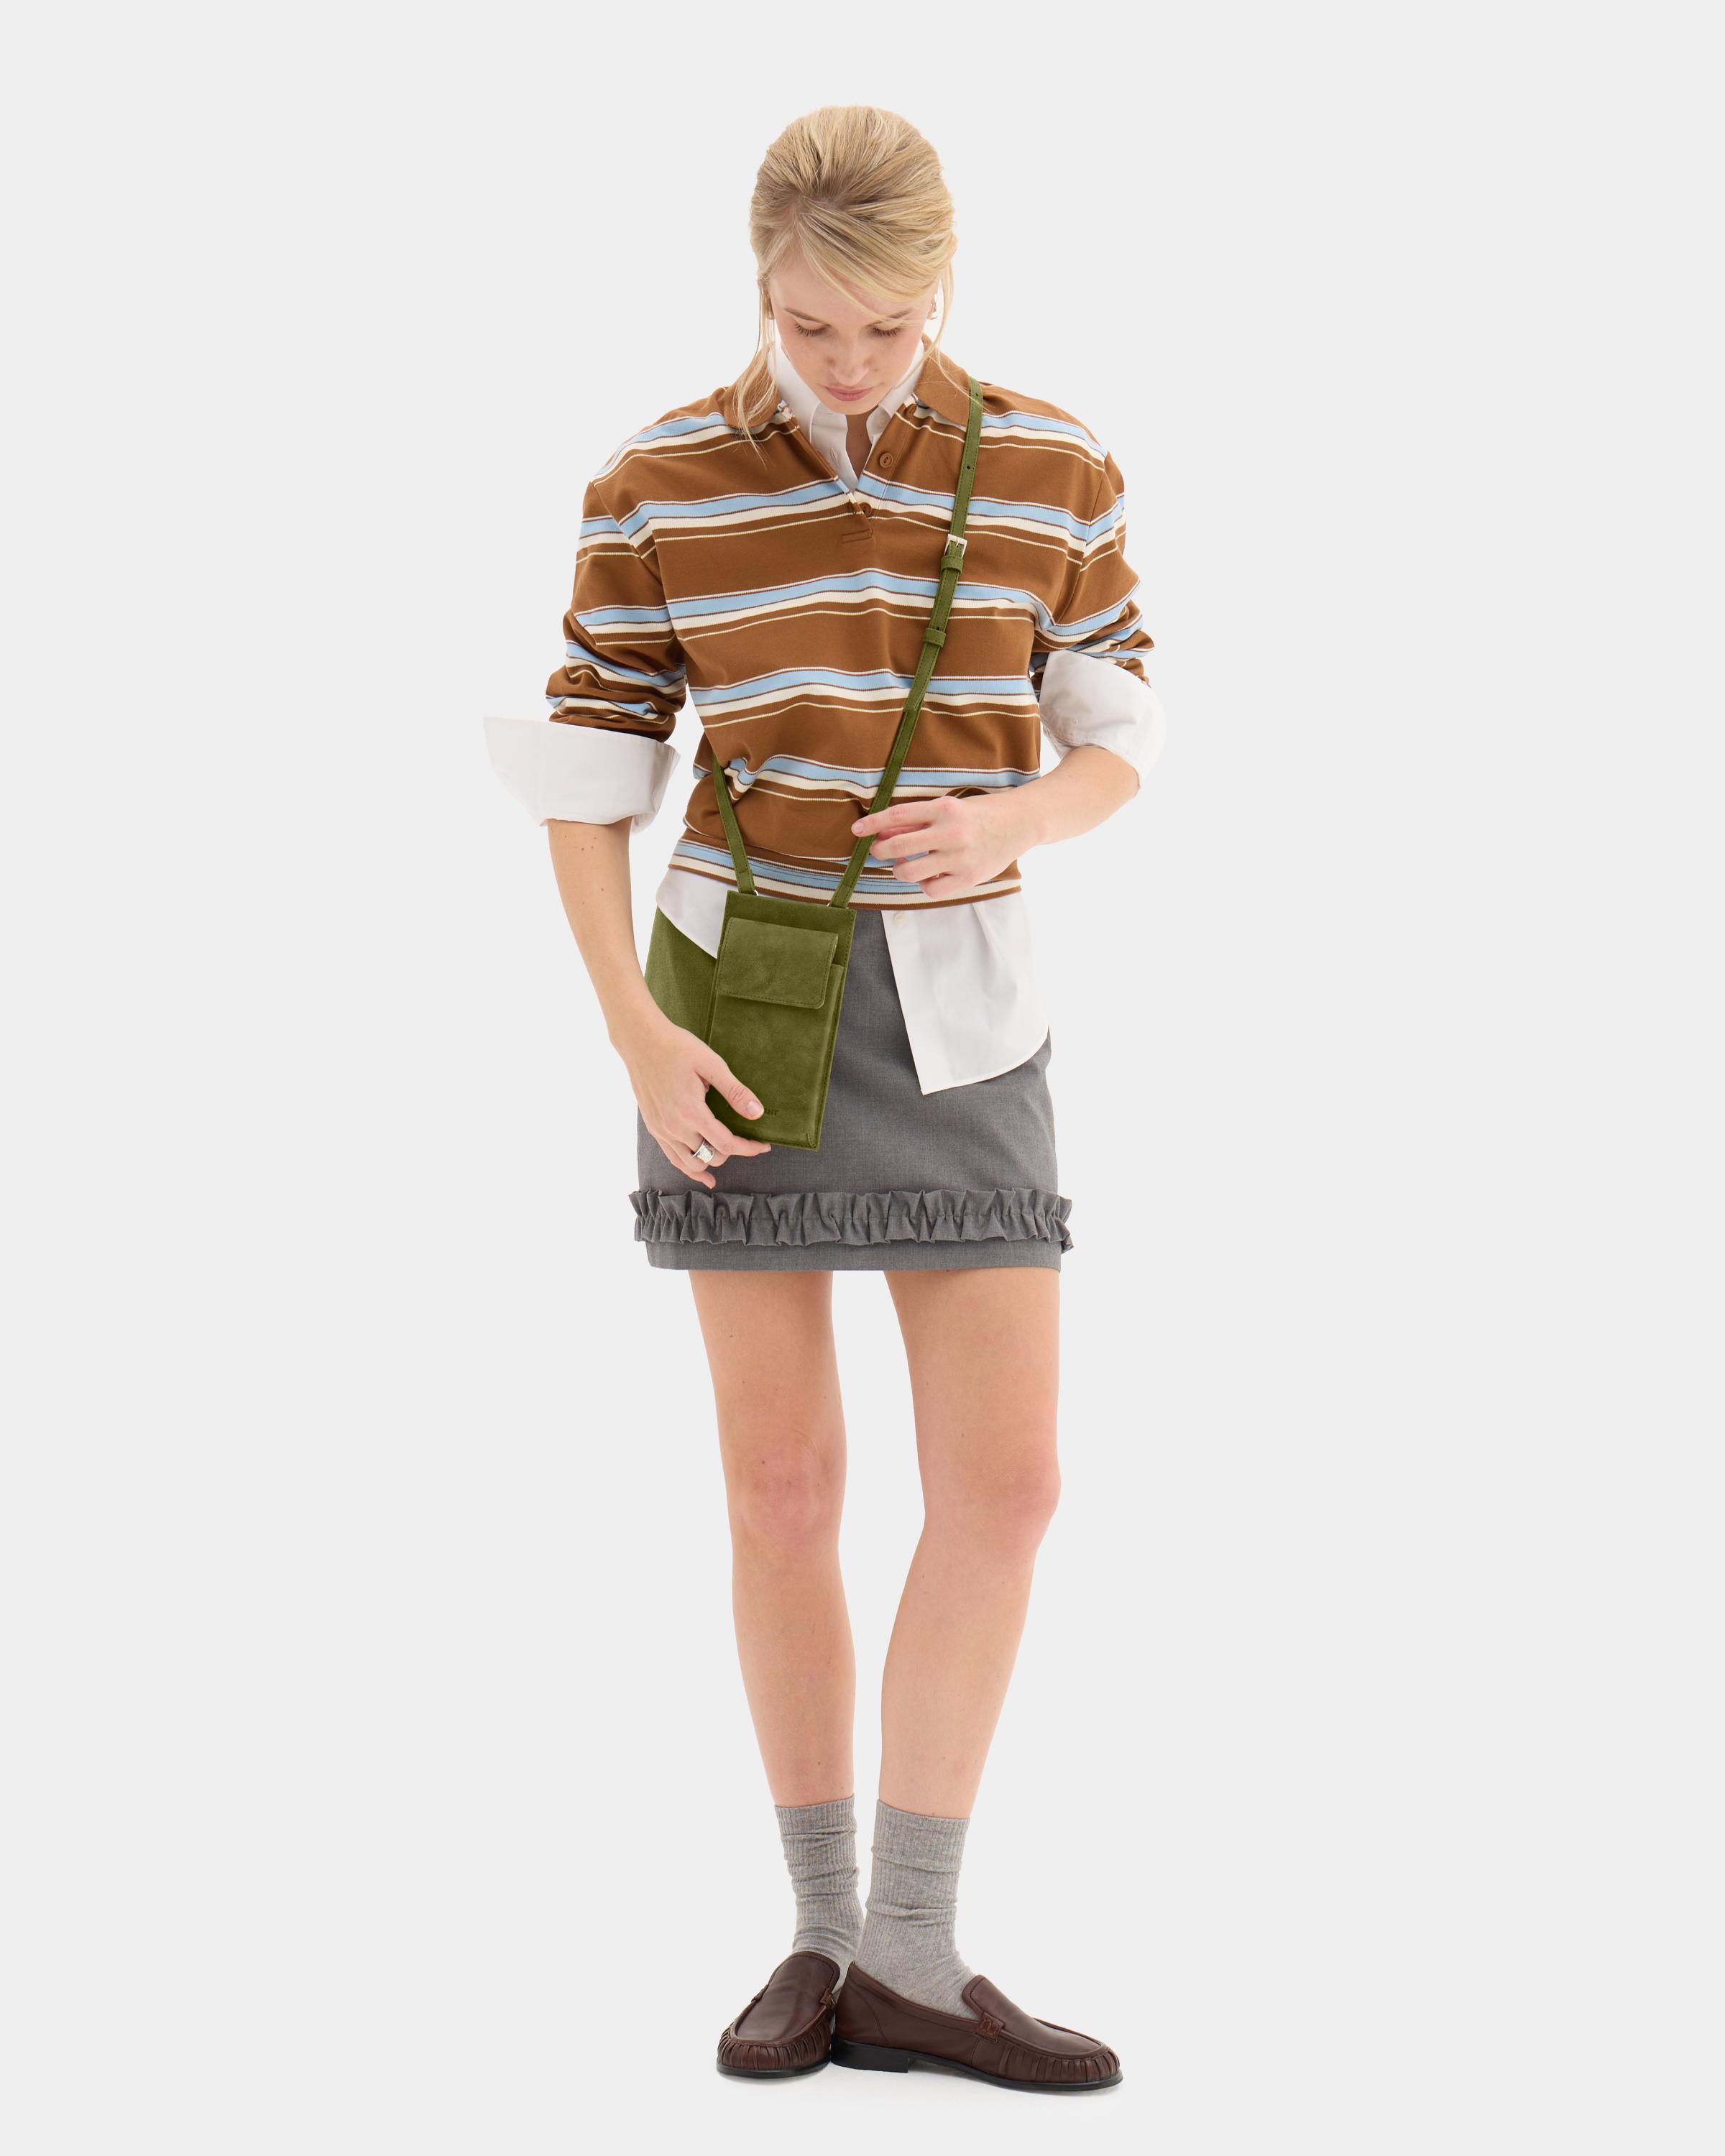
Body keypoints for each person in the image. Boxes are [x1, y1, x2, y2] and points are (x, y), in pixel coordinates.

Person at [485, 105, 1164, 2093]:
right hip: (737, 1016)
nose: (849, 364)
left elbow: (1120, 723)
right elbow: (592, 777)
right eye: (810, 325)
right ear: (760, 285)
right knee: (782, 1486)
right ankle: (818, 1936)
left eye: (886, 326)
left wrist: (1017, 818)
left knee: (1011, 1484)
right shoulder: (658, 482)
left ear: (943, 286)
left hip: (966, 1022)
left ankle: (917, 1955)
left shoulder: (1048, 461)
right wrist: (632, 1029)